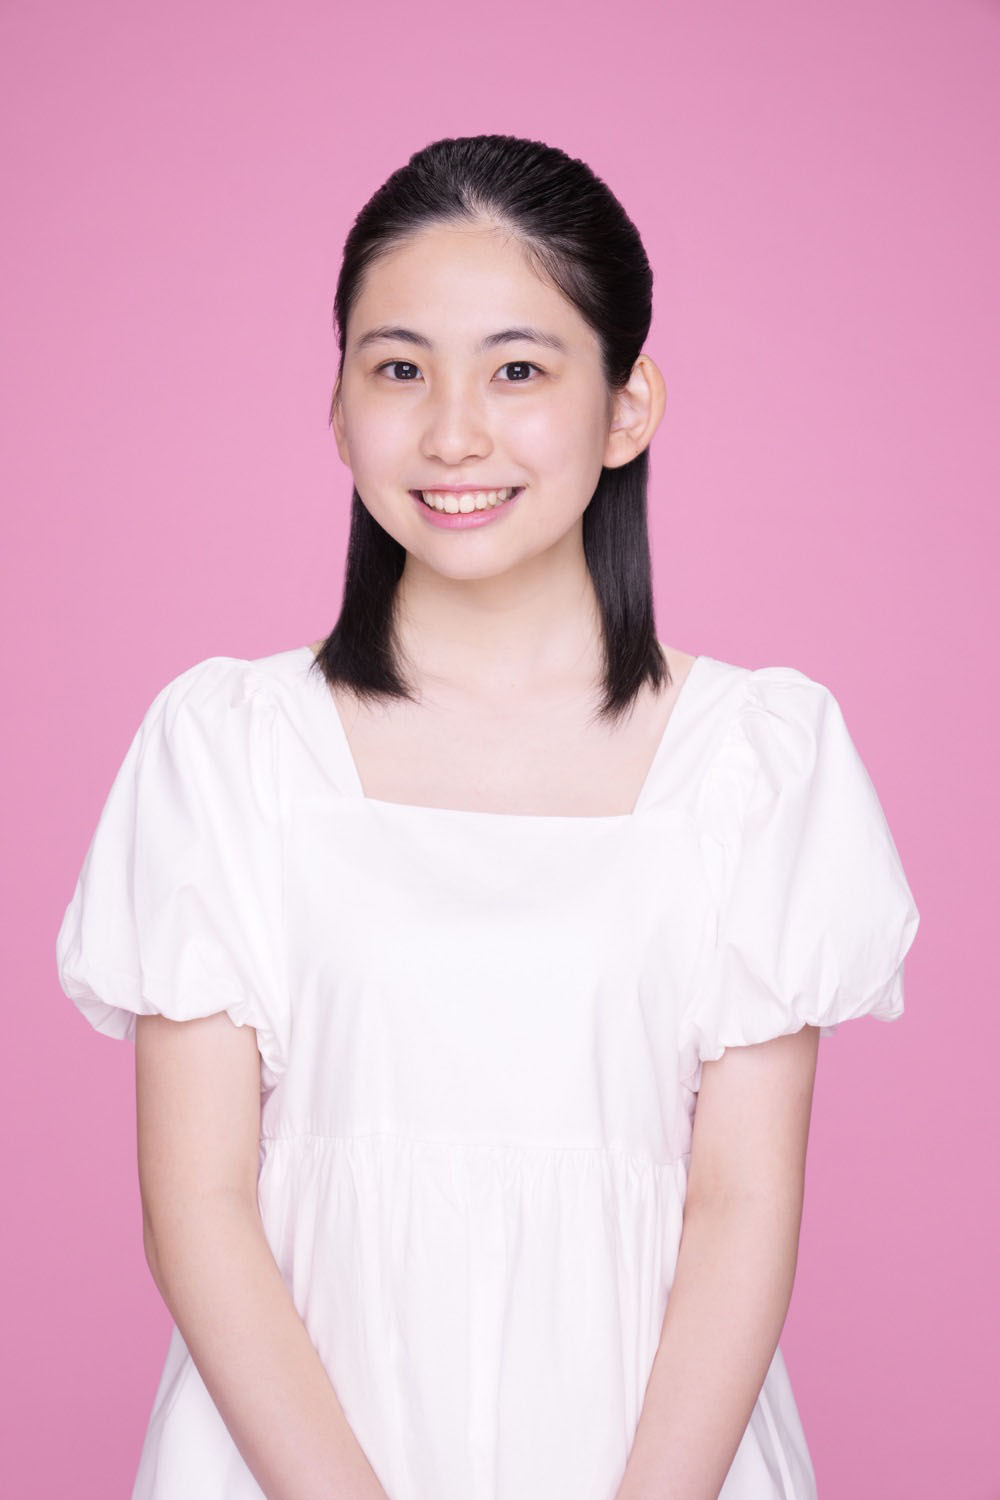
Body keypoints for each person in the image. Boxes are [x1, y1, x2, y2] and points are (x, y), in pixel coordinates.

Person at [55, 133, 920, 1500]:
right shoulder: (227, 749)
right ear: (338, 407)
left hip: (655, 1456)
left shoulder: (756, 760)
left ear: (627, 406)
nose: (453, 433)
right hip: (289, 1459)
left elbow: (742, 1206)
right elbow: (197, 1207)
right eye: (399, 369)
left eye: (518, 370)